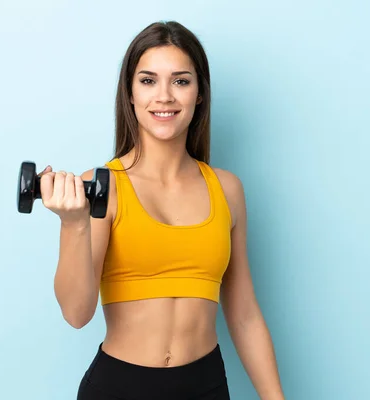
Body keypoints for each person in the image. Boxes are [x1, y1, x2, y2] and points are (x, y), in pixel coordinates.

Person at [38, 21, 286, 400]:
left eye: (181, 81)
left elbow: (244, 314)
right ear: (130, 93)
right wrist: (74, 225)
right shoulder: (104, 186)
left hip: (206, 387)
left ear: (199, 93)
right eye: (149, 80)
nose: (165, 96)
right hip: (118, 388)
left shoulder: (227, 189)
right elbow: (76, 314)